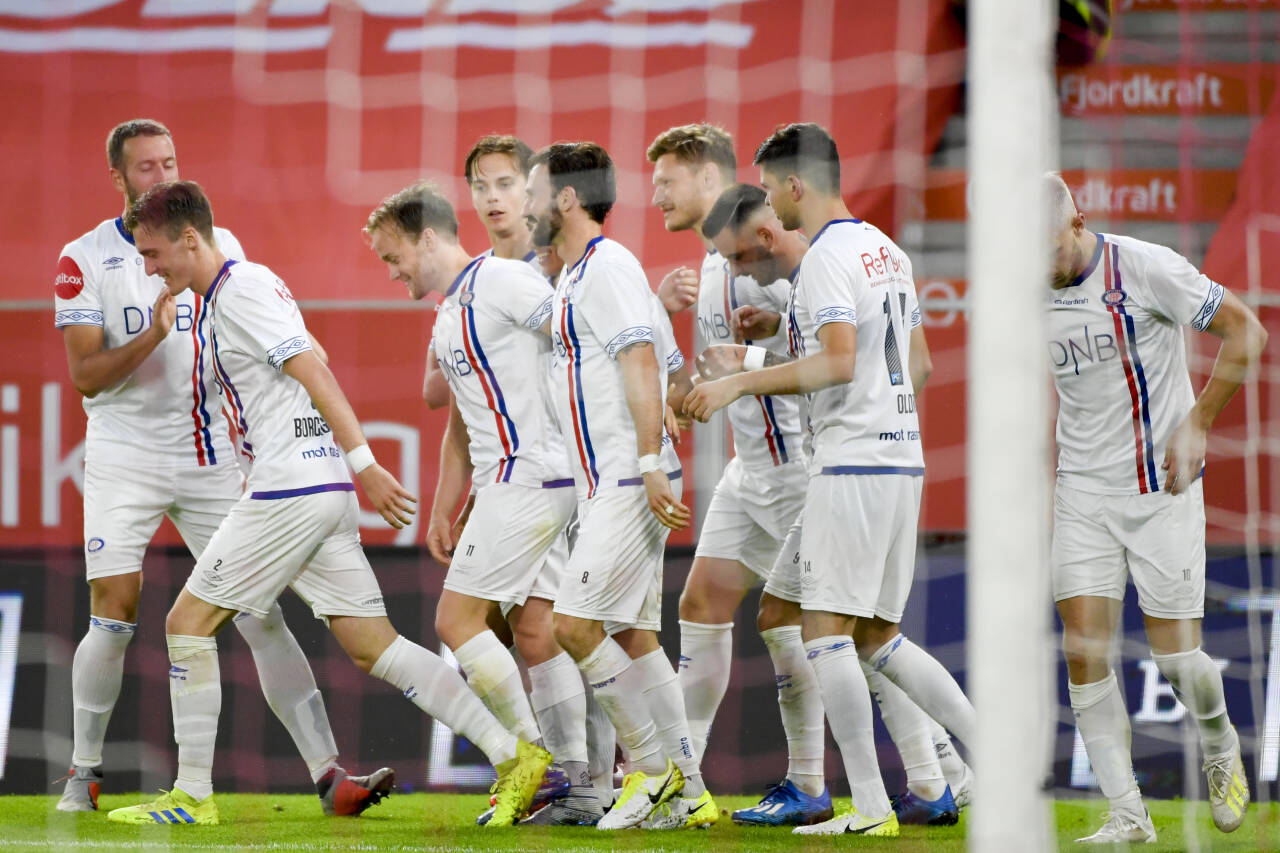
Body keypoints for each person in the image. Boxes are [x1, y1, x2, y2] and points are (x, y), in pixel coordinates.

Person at [104, 180, 551, 827]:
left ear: (189, 239)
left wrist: (365, 461)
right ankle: (514, 753)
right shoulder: (255, 288)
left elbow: (316, 370)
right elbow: (315, 352)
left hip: (288, 489)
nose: (149, 267)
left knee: (185, 625)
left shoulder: (240, 292)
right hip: (321, 488)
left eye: (152, 253)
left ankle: (191, 796)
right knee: (376, 646)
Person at [53, 119, 388, 816]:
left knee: (257, 612)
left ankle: (330, 774)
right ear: (117, 176)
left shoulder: (216, 245)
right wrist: (150, 332)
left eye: (170, 161)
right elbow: (85, 375)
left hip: (209, 455)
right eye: (146, 166)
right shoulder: (84, 258)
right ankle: (83, 772)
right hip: (125, 456)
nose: (162, 175)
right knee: (115, 609)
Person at [685, 123, 975, 837]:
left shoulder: (823, 260)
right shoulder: (886, 249)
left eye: (768, 182)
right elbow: (922, 364)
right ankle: (993, 764)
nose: (768, 204)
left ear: (793, 184)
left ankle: (872, 807)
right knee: (864, 631)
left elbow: (841, 361)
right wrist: (784, 335)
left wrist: (741, 382)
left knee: (827, 630)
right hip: (901, 456)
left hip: (852, 463)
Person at [366, 181, 601, 825]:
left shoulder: (501, 281)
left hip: (538, 477)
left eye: (394, 257)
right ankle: (577, 779)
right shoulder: (450, 313)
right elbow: (467, 419)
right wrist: (467, 497)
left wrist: (596, 434)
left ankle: (539, 761)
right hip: (508, 483)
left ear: (430, 238)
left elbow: (578, 334)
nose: (392, 273)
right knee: (534, 631)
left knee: (456, 622)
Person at [1043, 172, 1263, 843]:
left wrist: (1197, 422)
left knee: (1176, 660)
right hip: (1080, 488)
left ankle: (1220, 738)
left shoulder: (1143, 267)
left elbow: (1246, 332)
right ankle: (1128, 813)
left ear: (1076, 221)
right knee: (1083, 648)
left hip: (1158, 488)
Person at [523, 141, 717, 830]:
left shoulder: (606, 267)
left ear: (566, 200)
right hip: (608, 475)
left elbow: (640, 358)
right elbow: (662, 358)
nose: (525, 204)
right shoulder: (579, 276)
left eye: (533, 191)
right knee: (634, 632)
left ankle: (651, 768)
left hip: (626, 477)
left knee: (573, 624)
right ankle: (691, 787)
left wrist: (647, 461)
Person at [644, 124, 831, 826]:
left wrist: (759, 347)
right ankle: (684, 787)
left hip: (798, 473)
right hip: (746, 474)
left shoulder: (766, 247)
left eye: (668, 180)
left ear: (704, 175)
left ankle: (926, 771)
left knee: (840, 630)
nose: (658, 194)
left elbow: (822, 347)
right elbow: (728, 361)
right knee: (700, 605)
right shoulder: (712, 261)